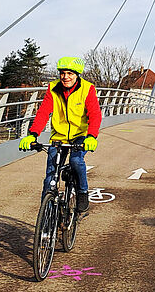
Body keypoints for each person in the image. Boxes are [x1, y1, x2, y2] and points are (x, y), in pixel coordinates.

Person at [19, 56, 101, 212]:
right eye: (62, 73)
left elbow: (95, 114)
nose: (65, 77)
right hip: (58, 136)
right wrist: (33, 134)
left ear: (77, 75)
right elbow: (43, 112)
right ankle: (46, 214)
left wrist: (91, 136)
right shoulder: (53, 88)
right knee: (51, 175)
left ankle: (82, 191)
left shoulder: (87, 89)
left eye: (70, 73)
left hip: (80, 135)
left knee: (76, 161)